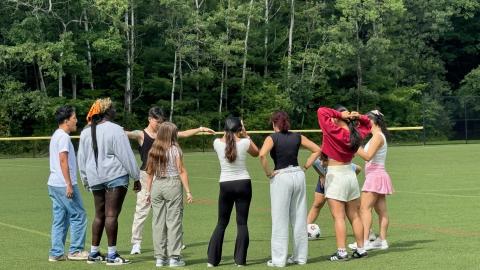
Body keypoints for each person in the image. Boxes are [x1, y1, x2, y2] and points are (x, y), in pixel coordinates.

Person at [126, 107, 215, 255]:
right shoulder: (141, 134)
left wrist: (201, 129)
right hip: (146, 175)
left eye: (162, 122)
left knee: (170, 211)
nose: (159, 124)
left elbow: (184, 134)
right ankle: (136, 243)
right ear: (150, 119)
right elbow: (127, 133)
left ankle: (174, 242)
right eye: (157, 121)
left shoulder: (166, 134)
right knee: (142, 209)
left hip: (164, 176)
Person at [78, 98, 141, 265]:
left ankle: (94, 253)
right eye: (113, 108)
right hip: (115, 176)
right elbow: (126, 155)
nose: (115, 111)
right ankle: (112, 255)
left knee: (99, 215)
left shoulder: (85, 132)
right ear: (107, 111)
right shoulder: (116, 130)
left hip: (94, 177)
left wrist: (85, 179)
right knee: (111, 215)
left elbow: (81, 160)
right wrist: (136, 176)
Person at [259, 111, 321, 267]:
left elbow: (262, 155)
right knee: (299, 218)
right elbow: (317, 149)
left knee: (280, 219)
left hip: (281, 176)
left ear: (274, 124)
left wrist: (268, 173)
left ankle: (279, 260)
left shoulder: (272, 137)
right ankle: (300, 258)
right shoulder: (297, 136)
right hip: (298, 175)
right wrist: (305, 166)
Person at [316, 105, 371, 261]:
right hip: (350, 174)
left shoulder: (333, 130)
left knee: (338, 217)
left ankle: (341, 252)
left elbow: (321, 111)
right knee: (354, 216)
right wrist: (358, 116)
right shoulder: (355, 134)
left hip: (336, 176)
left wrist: (340, 115)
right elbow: (368, 124)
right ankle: (361, 249)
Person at [207, 117, 259, 267]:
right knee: (242, 223)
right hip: (243, 183)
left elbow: (227, 138)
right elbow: (257, 153)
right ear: (240, 129)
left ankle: (212, 260)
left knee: (221, 223)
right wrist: (246, 135)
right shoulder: (245, 142)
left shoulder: (217, 143)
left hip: (225, 185)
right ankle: (240, 261)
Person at [145, 122, 193, 267]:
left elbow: (149, 173)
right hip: (172, 185)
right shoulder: (175, 150)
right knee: (174, 222)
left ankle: (160, 258)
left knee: (158, 222)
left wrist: (147, 192)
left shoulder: (153, 150)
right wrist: (188, 191)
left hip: (157, 185)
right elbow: (181, 171)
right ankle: (174, 258)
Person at [47, 105, 88, 262]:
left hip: (53, 183)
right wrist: (69, 184)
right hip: (63, 184)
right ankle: (76, 250)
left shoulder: (56, 134)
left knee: (61, 217)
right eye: (74, 118)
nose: (76, 120)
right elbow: (63, 159)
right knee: (79, 214)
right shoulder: (64, 137)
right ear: (66, 121)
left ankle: (56, 253)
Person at [350, 110, 393, 251]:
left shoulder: (377, 137)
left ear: (373, 121)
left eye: (366, 121)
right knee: (381, 211)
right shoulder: (377, 136)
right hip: (378, 175)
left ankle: (365, 241)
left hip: (375, 176)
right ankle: (382, 240)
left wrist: (354, 145)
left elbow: (367, 156)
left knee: (364, 209)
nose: (364, 123)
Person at [307, 153, 361, 230]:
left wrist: (350, 177)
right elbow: (314, 162)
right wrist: (322, 175)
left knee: (349, 210)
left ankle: (366, 232)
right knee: (318, 203)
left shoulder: (342, 164)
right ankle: (305, 229)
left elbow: (358, 168)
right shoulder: (320, 159)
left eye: (323, 162)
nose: (321, 164)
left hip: (340, 182)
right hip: (325, 180)